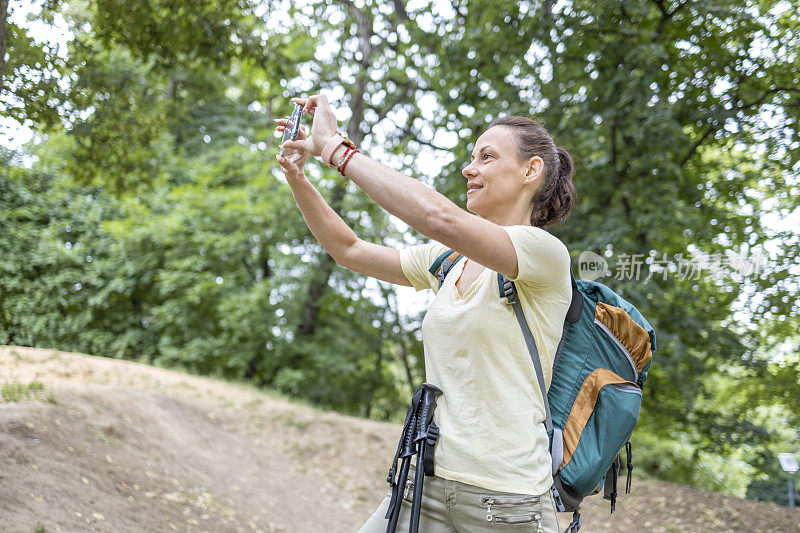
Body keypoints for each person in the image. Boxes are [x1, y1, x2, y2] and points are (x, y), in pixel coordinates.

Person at [275, 94, 575, 533]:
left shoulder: (543, 254)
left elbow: (440, 218)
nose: (469, 169)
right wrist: (299, 178)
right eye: (471, 157)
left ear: (531, 171)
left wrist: (337, 149)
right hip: (425, 480)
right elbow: (350, 249)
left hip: (506, 502)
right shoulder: (447, 260)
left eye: (487, 157)